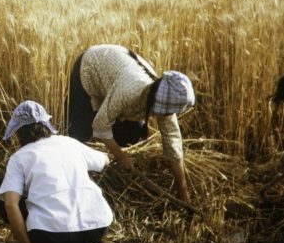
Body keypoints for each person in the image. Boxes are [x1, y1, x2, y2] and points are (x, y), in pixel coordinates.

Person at [66, 44, 195, 204]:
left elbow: (173, 148)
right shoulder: (130, 91)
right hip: (91, 67)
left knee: (132, 135)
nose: (163, 115)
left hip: (115, 76)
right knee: (80, 135)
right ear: (155, 98)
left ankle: (108, 158)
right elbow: (100, 126)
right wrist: (121, 156)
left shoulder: (165, 97)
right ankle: (80, 182)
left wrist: (183, 193)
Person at [0, 101, 113, 243]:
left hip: (52, 237)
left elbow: (10, 204)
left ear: (18, 131)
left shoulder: (19, 157)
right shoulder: (69, 143)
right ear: (46, 123)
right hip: (98, 229)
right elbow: (105, 160)